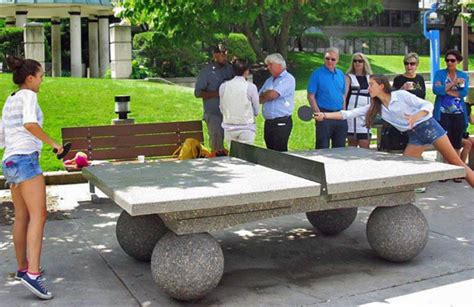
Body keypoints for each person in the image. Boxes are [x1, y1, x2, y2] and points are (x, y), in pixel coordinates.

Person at [313, 74, 474, 188]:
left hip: (429, 127)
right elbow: (348, 113)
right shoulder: (376, 107)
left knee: (457, 163)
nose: (368, 88)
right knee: (404, 168)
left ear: (381, 86)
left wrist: (415, 116)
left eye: (371, 85)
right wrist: (324, 115)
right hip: (414, 136)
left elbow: (427, 105)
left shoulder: (401, 95)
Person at [2, 56, 64, 300]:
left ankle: (22, 268)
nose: (42, 81)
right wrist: (53, 144)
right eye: (40, 76)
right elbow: (29, 124)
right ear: (30, 78)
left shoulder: (11, 99)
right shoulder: (28, 96)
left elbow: (2, 137)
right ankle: (33, 274)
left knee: (22, 216)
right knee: (39, 215)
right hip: (25, 159)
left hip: (10, 161)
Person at [432, 49, 470, 181]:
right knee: (445, 141)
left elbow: (463, 92)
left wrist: (446, 89)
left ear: (458, 61)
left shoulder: (463, 75)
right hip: (443, 113)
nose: (449, 62)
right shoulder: (440, 74)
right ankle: (444, 171)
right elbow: (437, 90)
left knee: (456, 141)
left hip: (458, 112)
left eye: (452, 60)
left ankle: (456, 171)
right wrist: (453, 84)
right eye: (447, 60)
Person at [194, 43, 234, 152]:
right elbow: (198, 93)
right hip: (214, 113)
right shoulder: (206, 71)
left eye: (226, 54)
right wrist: (218, 93)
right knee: (217, 146)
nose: (225, 57)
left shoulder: (230, 69)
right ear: (215, 55)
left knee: (235, 144)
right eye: (222, 54)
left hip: (230, 113)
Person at [307, 47, 347, 149]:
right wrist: (318, 113)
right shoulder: (316, 74)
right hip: (324, 115)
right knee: (322, 149)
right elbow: (311, 96)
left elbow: (343, 95)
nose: (330, 61)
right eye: (327, 58)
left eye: (333, 59)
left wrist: (344, 112)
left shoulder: (341, 74)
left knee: (340, 149)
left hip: (339, 115)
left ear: (337, 60)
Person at [259, 53, 295, 152]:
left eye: (270, 64)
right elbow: (259, 98)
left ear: (279, 65)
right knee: (270, 152)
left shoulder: (288, 79)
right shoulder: (269, 81)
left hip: (281, 121)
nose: (268, 67)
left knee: (280, 151)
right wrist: (267, 94)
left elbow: (273, 95)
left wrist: (267, 94)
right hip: (269, 122)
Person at [219, 59, 259, 146]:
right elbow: (256, 109)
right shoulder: (251, 87)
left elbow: (222, 106)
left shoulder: (223, 86)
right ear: (246, 71)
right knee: (246, 155)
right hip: (246, 126)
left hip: (229, 126)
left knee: (233, 155)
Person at [344, 52, 372, 148]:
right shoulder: (349, 77)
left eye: (360, 61)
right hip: (352, 114)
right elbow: (344, 95)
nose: (357, 63)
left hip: (366, 114)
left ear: (364, 63)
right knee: (352, 144)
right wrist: (344, 113)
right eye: (355, 61)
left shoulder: (370, 77)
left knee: (365, 143)